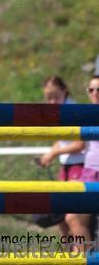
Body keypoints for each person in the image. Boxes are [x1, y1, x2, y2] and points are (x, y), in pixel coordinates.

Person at [37, 76, 85, 239]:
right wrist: (49, 154)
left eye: (56, 97)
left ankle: (81, 250)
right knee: (60, 217)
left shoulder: (73, 111)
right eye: (48, 98)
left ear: (65, 91)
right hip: (66, 167)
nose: (52, 102)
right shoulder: (60, 111)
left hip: (80, 167)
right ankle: (68, 250)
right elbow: (62, 140)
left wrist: (54, 153)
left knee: (72, 217)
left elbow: (80, 144)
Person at [63, 75, 99, 246]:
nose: (95, 93)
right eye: (91, 90)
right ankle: (85, 254)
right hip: (89, 172)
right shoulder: (86, 114)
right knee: (73, 217)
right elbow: (78, 143)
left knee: (75, 217)